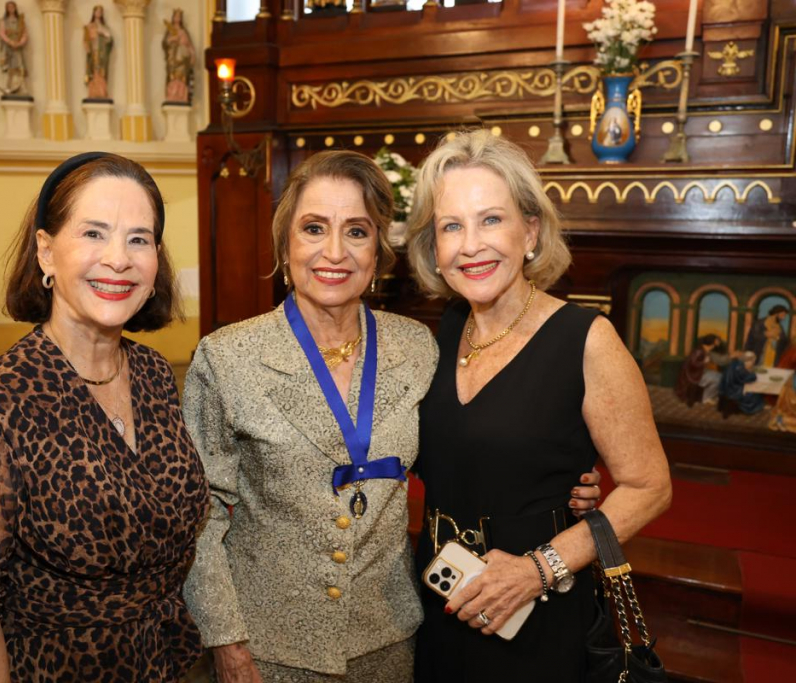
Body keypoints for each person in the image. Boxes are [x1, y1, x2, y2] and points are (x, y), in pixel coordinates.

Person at [182, 150, 600, 682]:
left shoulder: (417, 347)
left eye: (356, 231)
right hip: (268, 645)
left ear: (379, 250)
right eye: (314, 228)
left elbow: (461, 448)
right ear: (285, 243)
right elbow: (198, 518)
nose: (334, 251)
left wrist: (564, 482)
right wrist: (227, 644)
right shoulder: (227, 357)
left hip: (391, 639)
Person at [0, 152, 209, 682]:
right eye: (94, 233)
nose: (118, 259)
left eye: (138, 238)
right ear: (46, 252)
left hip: (167, 661)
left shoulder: (152, 373)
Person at [405, 130, 672, 682]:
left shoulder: (586, 338)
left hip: (537, 618)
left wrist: (537, 570)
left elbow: (651, 488)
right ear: (434, 248)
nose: (471, 244)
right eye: (451, 226)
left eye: (491, 220)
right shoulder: (443, 333)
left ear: (530, 230)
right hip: (442, 601)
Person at [675, 334, 730, 405]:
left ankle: (709, 396)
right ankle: (706, 398)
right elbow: (693, 364)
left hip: (700, 373)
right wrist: (704, 362)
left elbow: (720, 360)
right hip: (694, 375)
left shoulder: (705, 351)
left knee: (721, 377)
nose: (716, 345)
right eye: (715, 342)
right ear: (711, 343)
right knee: (719, 379)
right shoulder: (699, 351)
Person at [162, 9, 196, 105]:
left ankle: (181, 94)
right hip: (172, 57)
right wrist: (173, 39)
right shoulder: (170, 30)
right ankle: (173, 94)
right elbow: (165, 43)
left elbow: (189, 45)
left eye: (179, 17)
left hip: (182, 58)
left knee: (182, 76)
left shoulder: (183, 31)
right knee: (173, 76)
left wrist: (192, 54)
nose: (177, 18)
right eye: (176, 16)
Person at [0, 2, 29, 96]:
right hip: (8, 48)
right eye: (9, 7)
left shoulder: (20, 21)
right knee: (9, 68)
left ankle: (23, 87)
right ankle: (7, 87)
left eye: (12, 7)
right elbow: (2, 33)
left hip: (17, 47)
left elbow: (25, 34)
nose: (11, 9)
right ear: (6, 9)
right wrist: (10, 42)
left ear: (15, 8)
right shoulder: (3, 21)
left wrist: (19, 43)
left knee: (20, 67)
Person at [720, 350, 764, 415]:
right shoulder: (740, 368)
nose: (752, 363)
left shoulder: (735, 363)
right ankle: (749, 410)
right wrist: (752, 373)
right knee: (754, 394)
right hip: (734, 390)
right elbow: (751, 378)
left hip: (728, 387)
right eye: (752, 361)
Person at [84, 5, 114, 100]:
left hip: (102, 53)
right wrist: (88, 46)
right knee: (94, 70)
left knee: (102, 70)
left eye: (100, 12)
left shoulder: (104, 27)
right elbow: (86, 40)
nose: (98, 13)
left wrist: (104, 33)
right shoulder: (90, 26)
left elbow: (110, 40)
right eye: (97, 11)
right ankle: (94, 91)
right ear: (94, 13)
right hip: (94, 51)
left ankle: (102, 91)